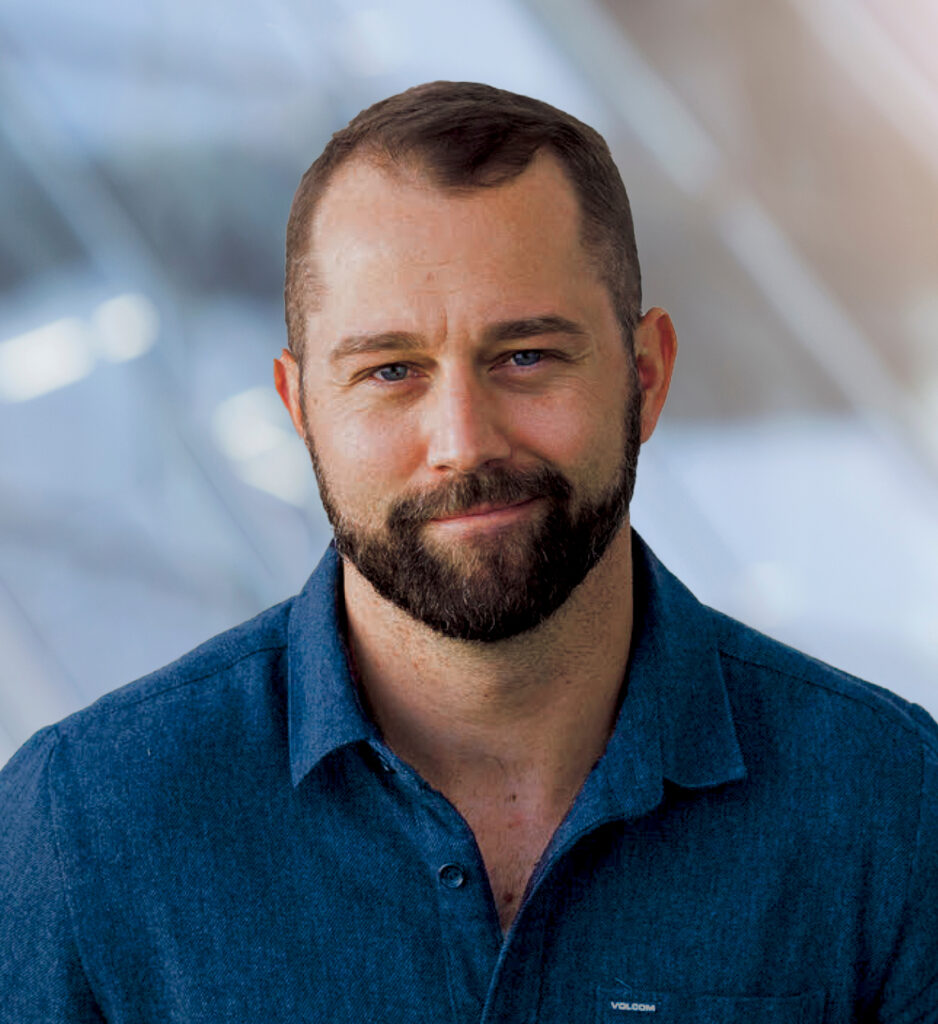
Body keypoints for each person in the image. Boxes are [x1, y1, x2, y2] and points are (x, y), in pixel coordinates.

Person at [1, 81, 935, 1024]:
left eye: (525, 356)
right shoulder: (81, 828)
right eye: (391, 371)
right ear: (301, 410)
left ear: (645, 378)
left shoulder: (891, 804)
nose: (464, 440)